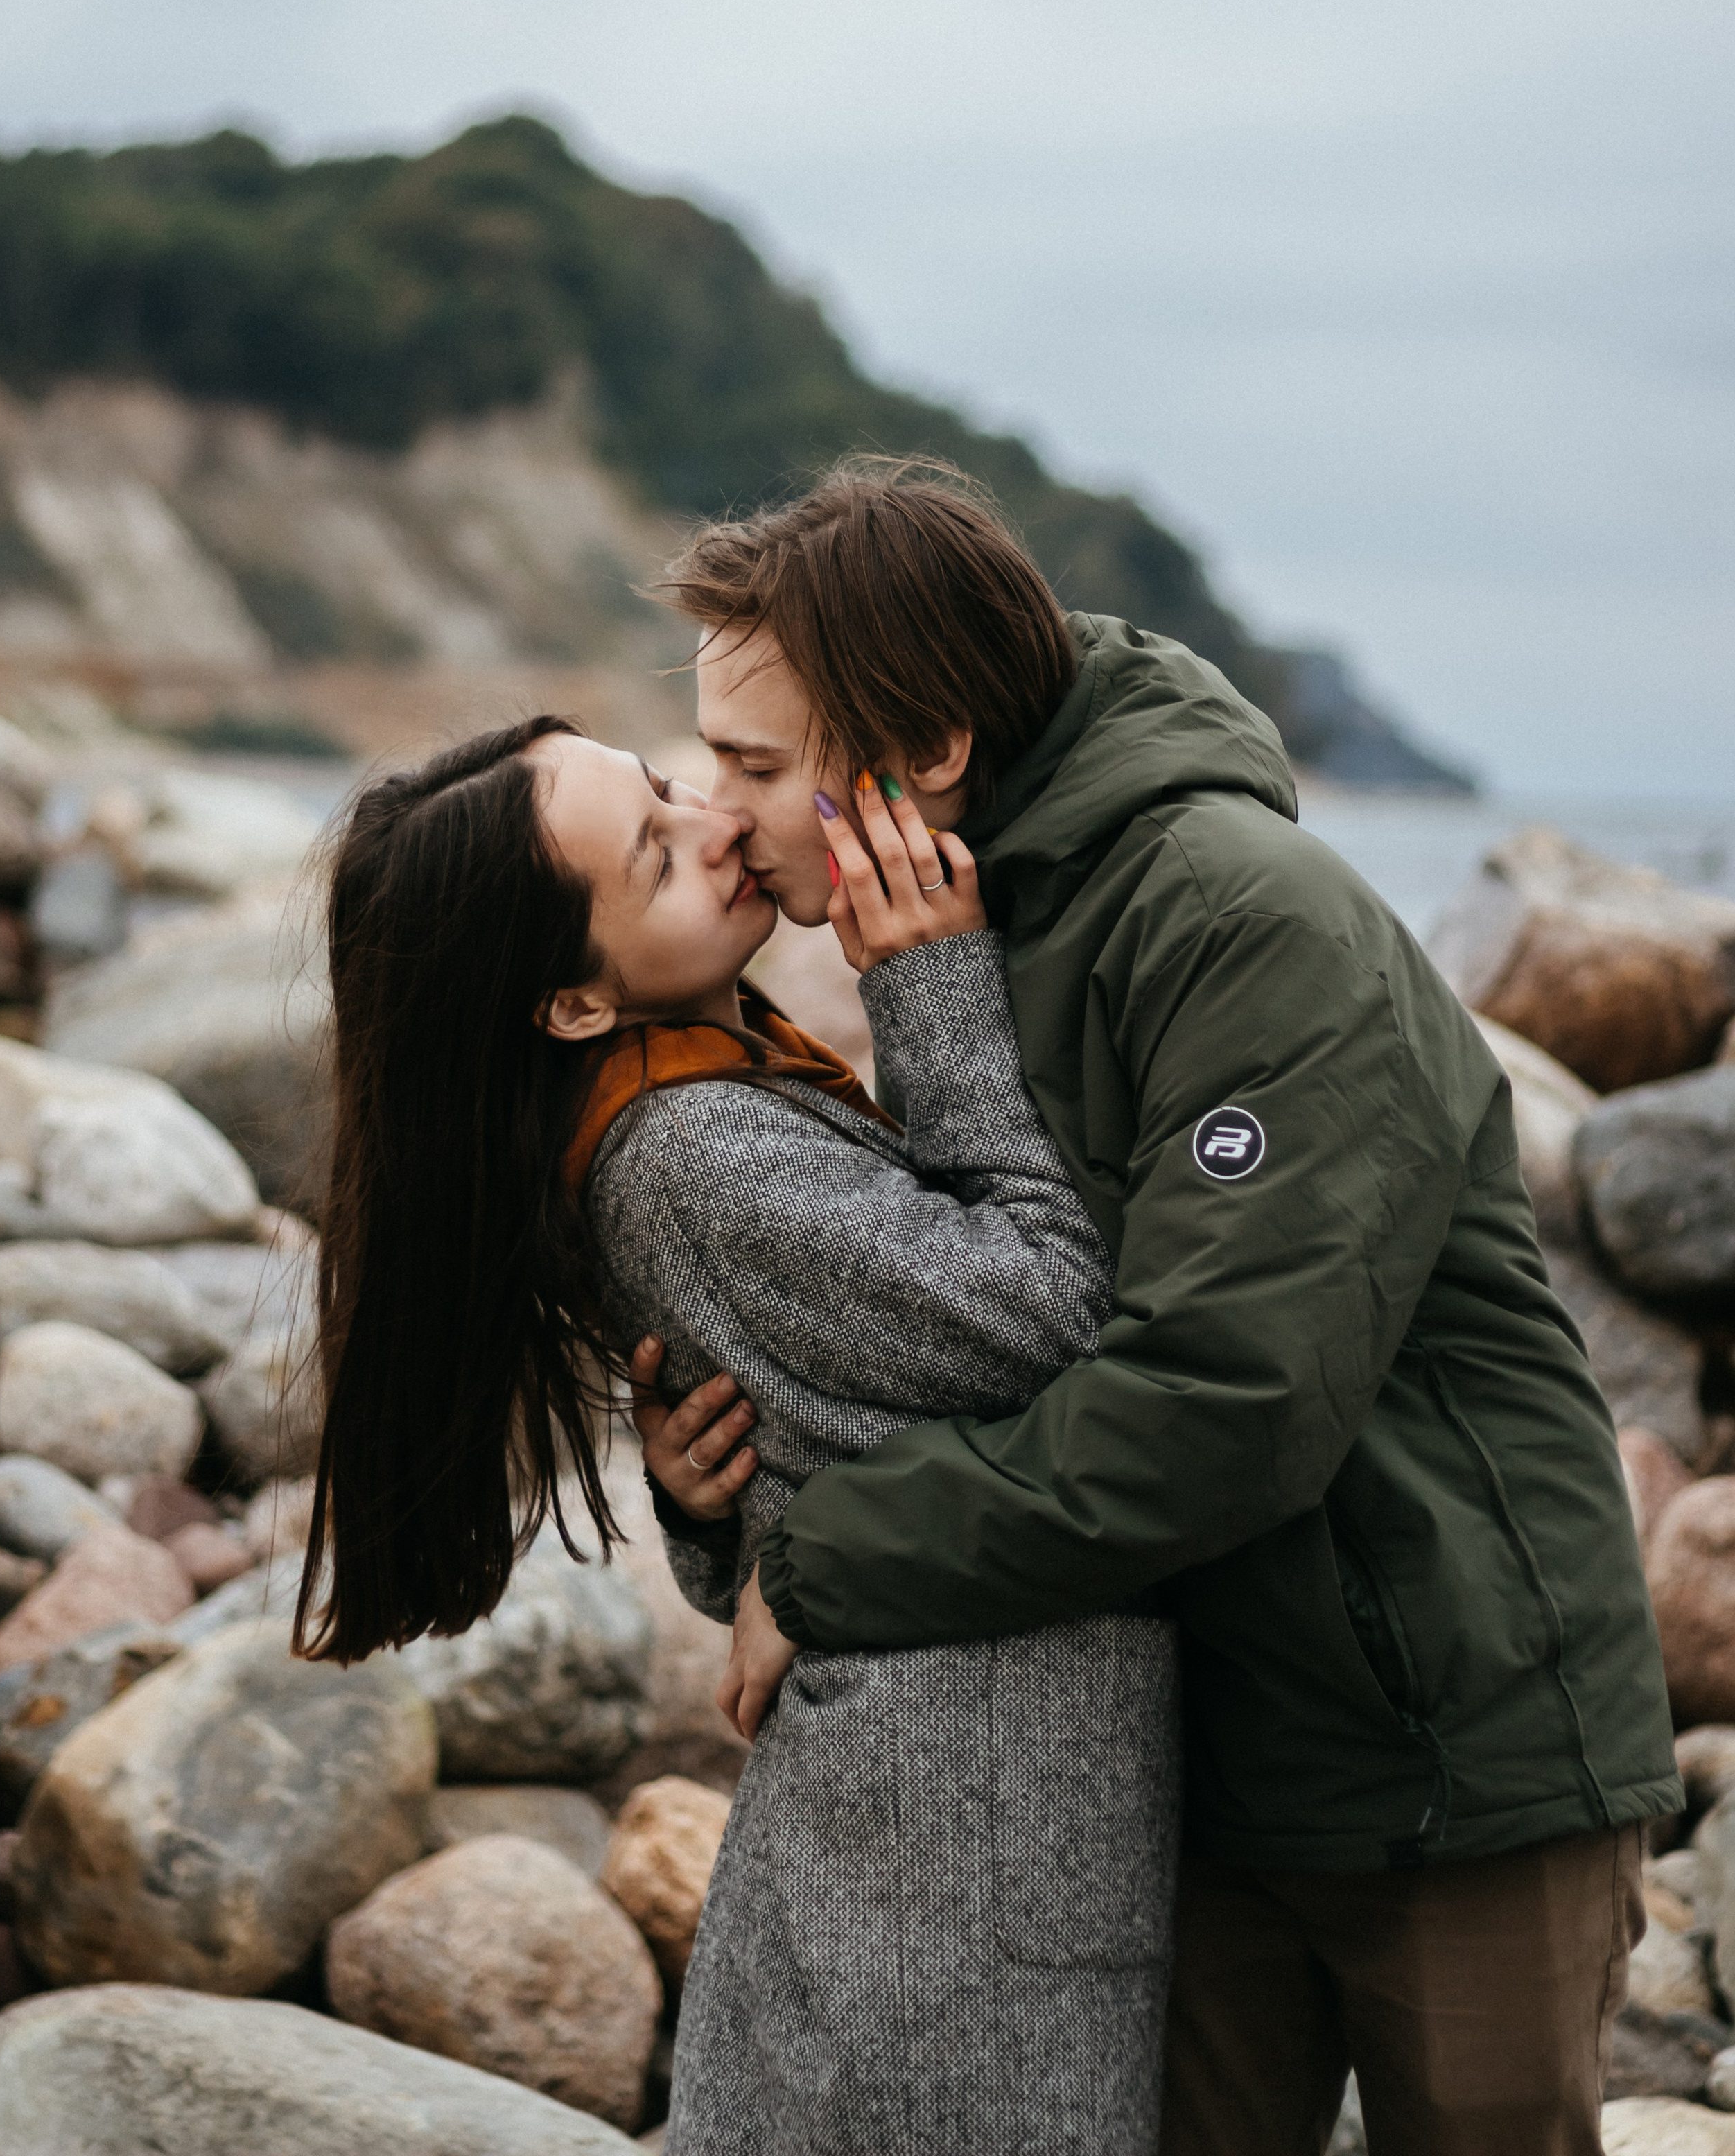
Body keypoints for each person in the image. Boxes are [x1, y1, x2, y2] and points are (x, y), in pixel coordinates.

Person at [638, 456, 1682, 2156]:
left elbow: (1224, 1399)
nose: (720, 809)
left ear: (927, 752)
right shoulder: (960, 937)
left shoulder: (1239, 918)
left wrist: (830, 1565)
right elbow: (986, 1332)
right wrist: (724, 1484)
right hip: (1190, 1762)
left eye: (754, 764)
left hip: (1450, 1746)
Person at [295, 714, 1179, 2156]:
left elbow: (856, 1412)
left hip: (948, 1816)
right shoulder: (684, 1155)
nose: (713, 820)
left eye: (662, 784)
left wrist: (716, 1516)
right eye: (654, 853)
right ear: (573, 1007)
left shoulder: (698, 1073)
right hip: (959, 1853)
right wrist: (932, 987)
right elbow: (1054, 1317)